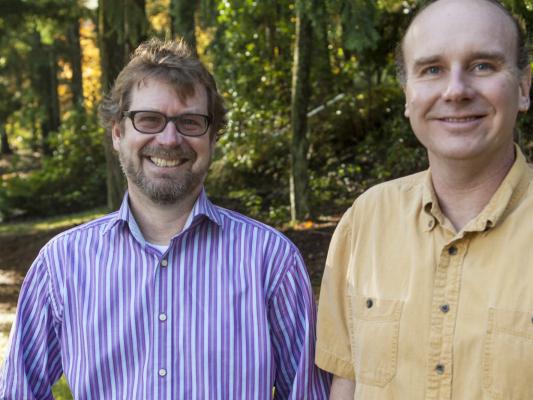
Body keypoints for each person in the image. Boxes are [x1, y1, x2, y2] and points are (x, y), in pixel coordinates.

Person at [0, 38, 330, 399]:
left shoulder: (271, 261)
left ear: (212, 138)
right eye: (149, 119)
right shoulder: (61, 265)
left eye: (190, 122)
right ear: (117, 132)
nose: (170, 139)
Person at [315, 0, 533, 398]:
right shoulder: (366, 219)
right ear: (408, 95)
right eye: (432, 70)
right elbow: (345, 382)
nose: (455, 90)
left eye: (483, 65)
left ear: (522, 88)